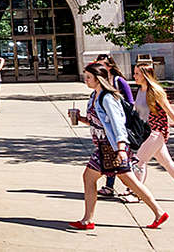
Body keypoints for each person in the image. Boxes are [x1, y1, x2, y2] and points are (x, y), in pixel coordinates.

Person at [68, 62, 167, 231]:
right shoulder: (94, 96)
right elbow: (99, 122)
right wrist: (80, 118)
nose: (86, 80)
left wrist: (121, 148)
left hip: (111, 148)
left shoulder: (107, 98)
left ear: (99, 79)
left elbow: (118, 124)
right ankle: (159, 212)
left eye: (89, 77)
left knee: (90, 178)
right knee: (130, 181)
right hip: (104, 147)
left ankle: (88, 220)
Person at [132, 63, 174, 200]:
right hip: (145, 132)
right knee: (167, 162)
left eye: (137, 73)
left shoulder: (155, 91)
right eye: (134, 73)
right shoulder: (140, 90)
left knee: (140, 161)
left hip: (156, 131)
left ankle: (136, 194)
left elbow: (169, 111)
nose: (134, 76)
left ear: (146, 75)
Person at [94, 54, 135, 199]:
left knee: (124, 163)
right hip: (107, 131)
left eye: (101, 65)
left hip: (119, 126)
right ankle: (109, 186)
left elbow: (130, 103)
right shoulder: (101, 84)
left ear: (109, 67)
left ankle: (134, 190)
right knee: (110, 160)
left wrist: (117, 114)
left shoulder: (119, 81)